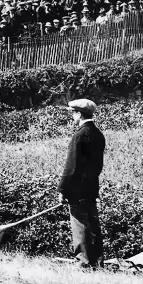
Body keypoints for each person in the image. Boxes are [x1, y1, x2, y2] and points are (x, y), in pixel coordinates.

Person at [57, 98, 105, 269]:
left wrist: (62, 189)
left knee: (79, 226)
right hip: (91, 188)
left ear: (79, 113)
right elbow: (98, 166)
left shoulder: (79, 136)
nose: (72, 117)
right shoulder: (98, 135)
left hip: (77, 190)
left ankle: (84, 263)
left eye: (73, 113)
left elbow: (71, 167)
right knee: (93, 224)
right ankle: (98, 261)